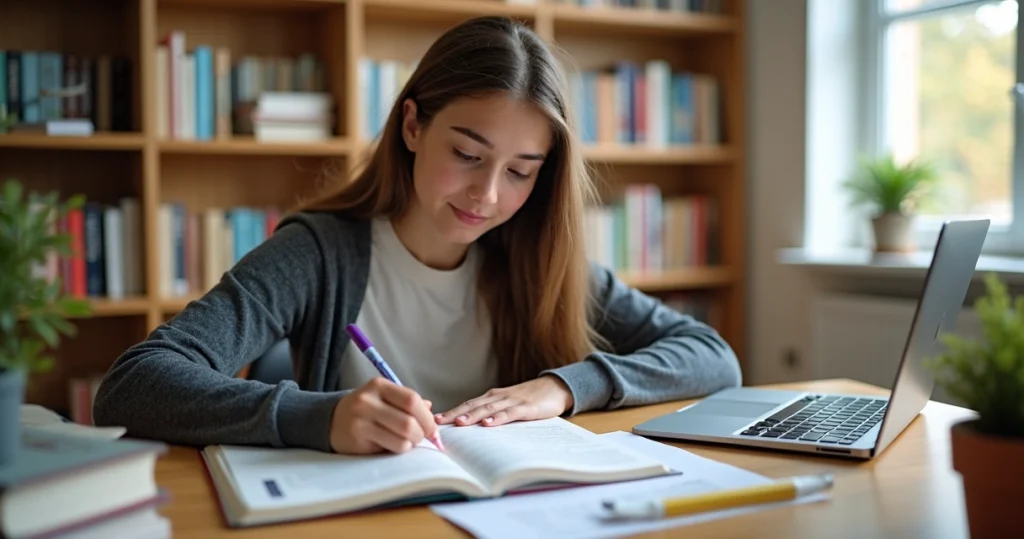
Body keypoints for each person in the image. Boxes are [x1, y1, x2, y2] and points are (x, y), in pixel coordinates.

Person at [92, 16, 741, 456]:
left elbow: (713, 356)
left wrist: (567, 386)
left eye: (520, 171)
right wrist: (321, 417)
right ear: (411, 126)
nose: (487, 195)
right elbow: (135, 382)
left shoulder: (539, 258)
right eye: (466, 153)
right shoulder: (318, 254)